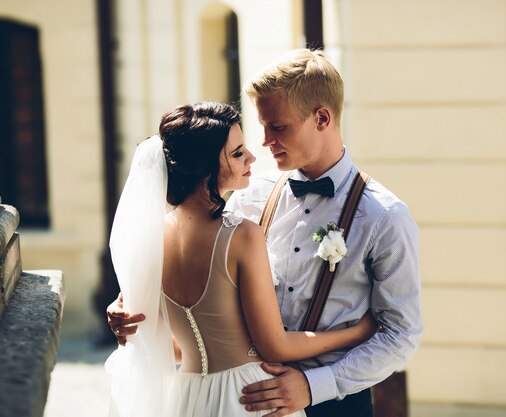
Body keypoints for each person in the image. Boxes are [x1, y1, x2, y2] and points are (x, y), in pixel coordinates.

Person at [109, 49, 422, 417]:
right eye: (263, 127)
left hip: (337, 400)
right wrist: (131, 308)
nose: (265, 141)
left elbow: (401, 334)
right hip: (243, 398)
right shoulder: (249, 196)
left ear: (322, 118)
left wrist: (312, 386)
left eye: (278, 127)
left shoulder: (385, 217)